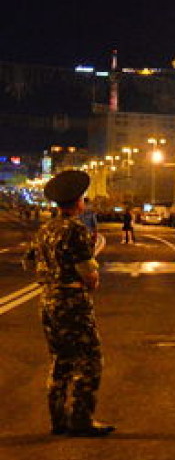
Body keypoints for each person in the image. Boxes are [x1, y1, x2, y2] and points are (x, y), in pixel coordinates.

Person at [26, 170, 113, 437]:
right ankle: (81, 420)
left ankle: (58, 419)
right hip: (72, 301)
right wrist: (92, 279)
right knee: (89, 359)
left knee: (60, 359)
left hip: (48, 299)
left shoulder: (45, 229)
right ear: (78, 202)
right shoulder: (75, 228)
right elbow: (89, 274)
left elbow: (28, 262)